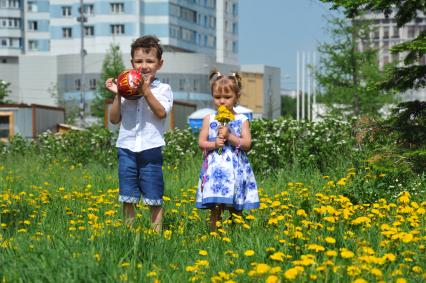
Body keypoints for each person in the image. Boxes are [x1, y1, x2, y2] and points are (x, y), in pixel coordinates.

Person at [105, 35, 173, 232]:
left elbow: (160, 113)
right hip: (126, 147)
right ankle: (128, 232)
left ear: (159, 64)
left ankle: (156, 235)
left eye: (150, 61)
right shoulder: (126, 88)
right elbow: (114, 119)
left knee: (154, 195)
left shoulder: (163, 89)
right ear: (132, 63)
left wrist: (145, 90)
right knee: (127, 194)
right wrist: (119, 92)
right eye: (139, 61)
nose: (144, 66)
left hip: (151, 149)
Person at [196, 70, 259, 232]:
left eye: (227, 97)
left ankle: (235, 234)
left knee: (235, 206)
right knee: (215, 206)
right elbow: (201, 142)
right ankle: (213, 235)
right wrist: (214, 144)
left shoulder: (242, 120)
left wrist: (230, 136)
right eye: (217, 97)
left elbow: (247, 144)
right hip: (215, 169)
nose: (222, 102)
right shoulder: (208, 119)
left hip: (235, 169)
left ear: (237, 96)